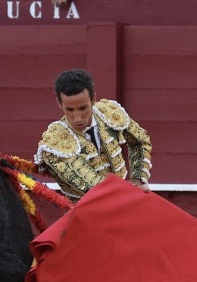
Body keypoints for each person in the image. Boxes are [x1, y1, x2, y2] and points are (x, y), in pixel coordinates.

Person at [35, 68, 152, 201]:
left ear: (93, 99)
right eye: (70, 109)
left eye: (83, 108)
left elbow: (139, 141)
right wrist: (130, 192)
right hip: (86, 212)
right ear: (59, 104)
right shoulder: (55, 143)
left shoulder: (108, 113)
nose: (77, 118)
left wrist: (138, 179)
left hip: (124, 199)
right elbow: (96, 188)